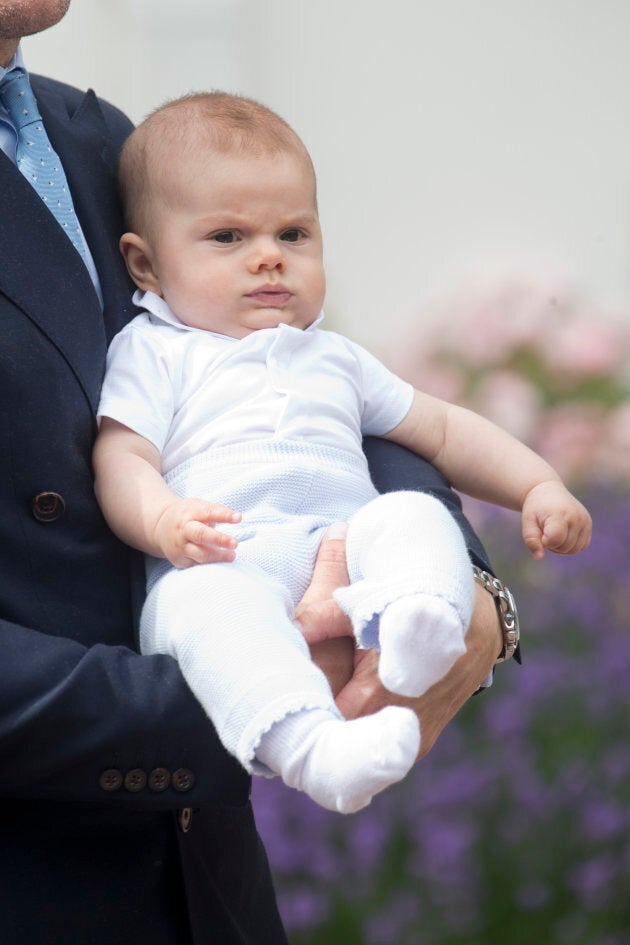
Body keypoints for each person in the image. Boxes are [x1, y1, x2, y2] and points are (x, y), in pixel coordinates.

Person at [0, 5, 511, 944]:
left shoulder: (106, 137)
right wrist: (249, 693)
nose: (265, 254)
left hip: (207, 885)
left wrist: (460, 582)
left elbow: (299, 377)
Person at [93, 93, 591, 814]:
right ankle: (313, 748)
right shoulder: (154, 352)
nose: (268, 255)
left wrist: (538, 484)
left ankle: (419, 623)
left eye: (293, 233)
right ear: (144, 263)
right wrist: (164, 520)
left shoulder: (335, 359)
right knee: (202, 611)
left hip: (345, 550)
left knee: (414, 514)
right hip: (226, 556)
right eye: (227, 237)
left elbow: (444, 432)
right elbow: (123, 458)